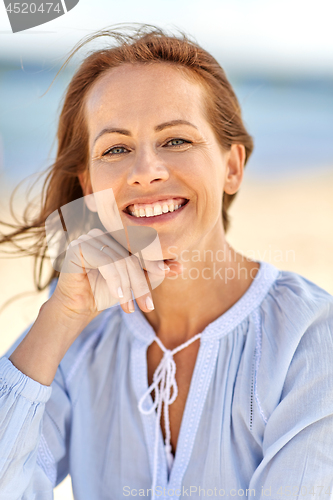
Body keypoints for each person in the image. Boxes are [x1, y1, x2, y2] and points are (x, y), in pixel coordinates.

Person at [0, 25, 333, 500]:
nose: (145, 171)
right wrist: (59, 319)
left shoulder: (312, 337)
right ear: (89, 184)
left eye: (176, 140)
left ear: (232, 167)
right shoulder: (78, 332)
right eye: (115, 149)